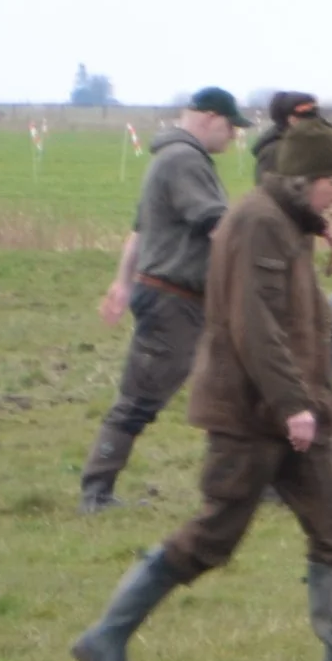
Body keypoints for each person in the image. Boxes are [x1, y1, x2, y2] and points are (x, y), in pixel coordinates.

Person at [69, 116, 332, 661]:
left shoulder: (290, 223)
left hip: (297, 413)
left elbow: (299, 321)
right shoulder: (258, 224)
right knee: (214, 534)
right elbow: (256, 325)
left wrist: (307, 404)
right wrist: (291, 405)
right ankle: (106, 636)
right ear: (303, 178)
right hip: (251, 414)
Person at [79, 87, 251, 513]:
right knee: (141, 398)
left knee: (233, 387)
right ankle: (96, 492)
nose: (233, 136)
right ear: (210, 118)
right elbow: (217, 226)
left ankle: (249, 481)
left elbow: (139, 231)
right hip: (174, 301)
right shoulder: (184, 160)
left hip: (184, 297)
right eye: (231, 127)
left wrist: (122, 283)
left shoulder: (170, 158)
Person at [249, 92, 323, 179]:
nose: (312, 121)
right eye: (305, 115)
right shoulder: (274, 152)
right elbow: (269, 185)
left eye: (314, 114)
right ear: (289, 119)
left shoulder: (310, 142)